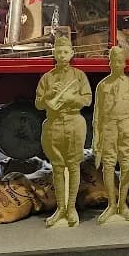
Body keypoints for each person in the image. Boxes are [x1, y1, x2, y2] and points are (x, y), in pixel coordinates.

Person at [35, 36, 92, 227]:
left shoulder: (79, 76)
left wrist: (70, 98)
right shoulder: (47, 78)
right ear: (54, 54)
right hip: (53, 124)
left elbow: (87, 99)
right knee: (58, 167)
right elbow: (38, 103)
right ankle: (60, 208)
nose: (62, 55)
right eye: (59, 52)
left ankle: (71, 208)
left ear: (72, 53)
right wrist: (50, 95)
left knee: (74, 165)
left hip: (74, 122)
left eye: (66, 52)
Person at [92, 46, 129, 224]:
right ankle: (111, 205)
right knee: (108, 166)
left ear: (125, 63)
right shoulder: (103, 86)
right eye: (114, 61)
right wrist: (96, 139)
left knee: (126, 166)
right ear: (109, 63)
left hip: (127, 127)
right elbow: (97, 115)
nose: (117, 65)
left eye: (121, 61)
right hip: (109, 128)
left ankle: (123, 204)